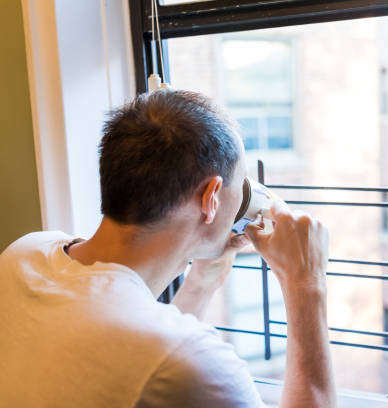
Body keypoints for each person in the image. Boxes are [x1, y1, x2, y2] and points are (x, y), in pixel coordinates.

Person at [0, 89, 336, 407]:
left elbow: (141, 360)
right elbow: (162, 360)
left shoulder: (24, 253)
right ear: (212, 198)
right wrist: (306, 283)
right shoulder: (193, 361)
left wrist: (204, 278)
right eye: (241, 181)